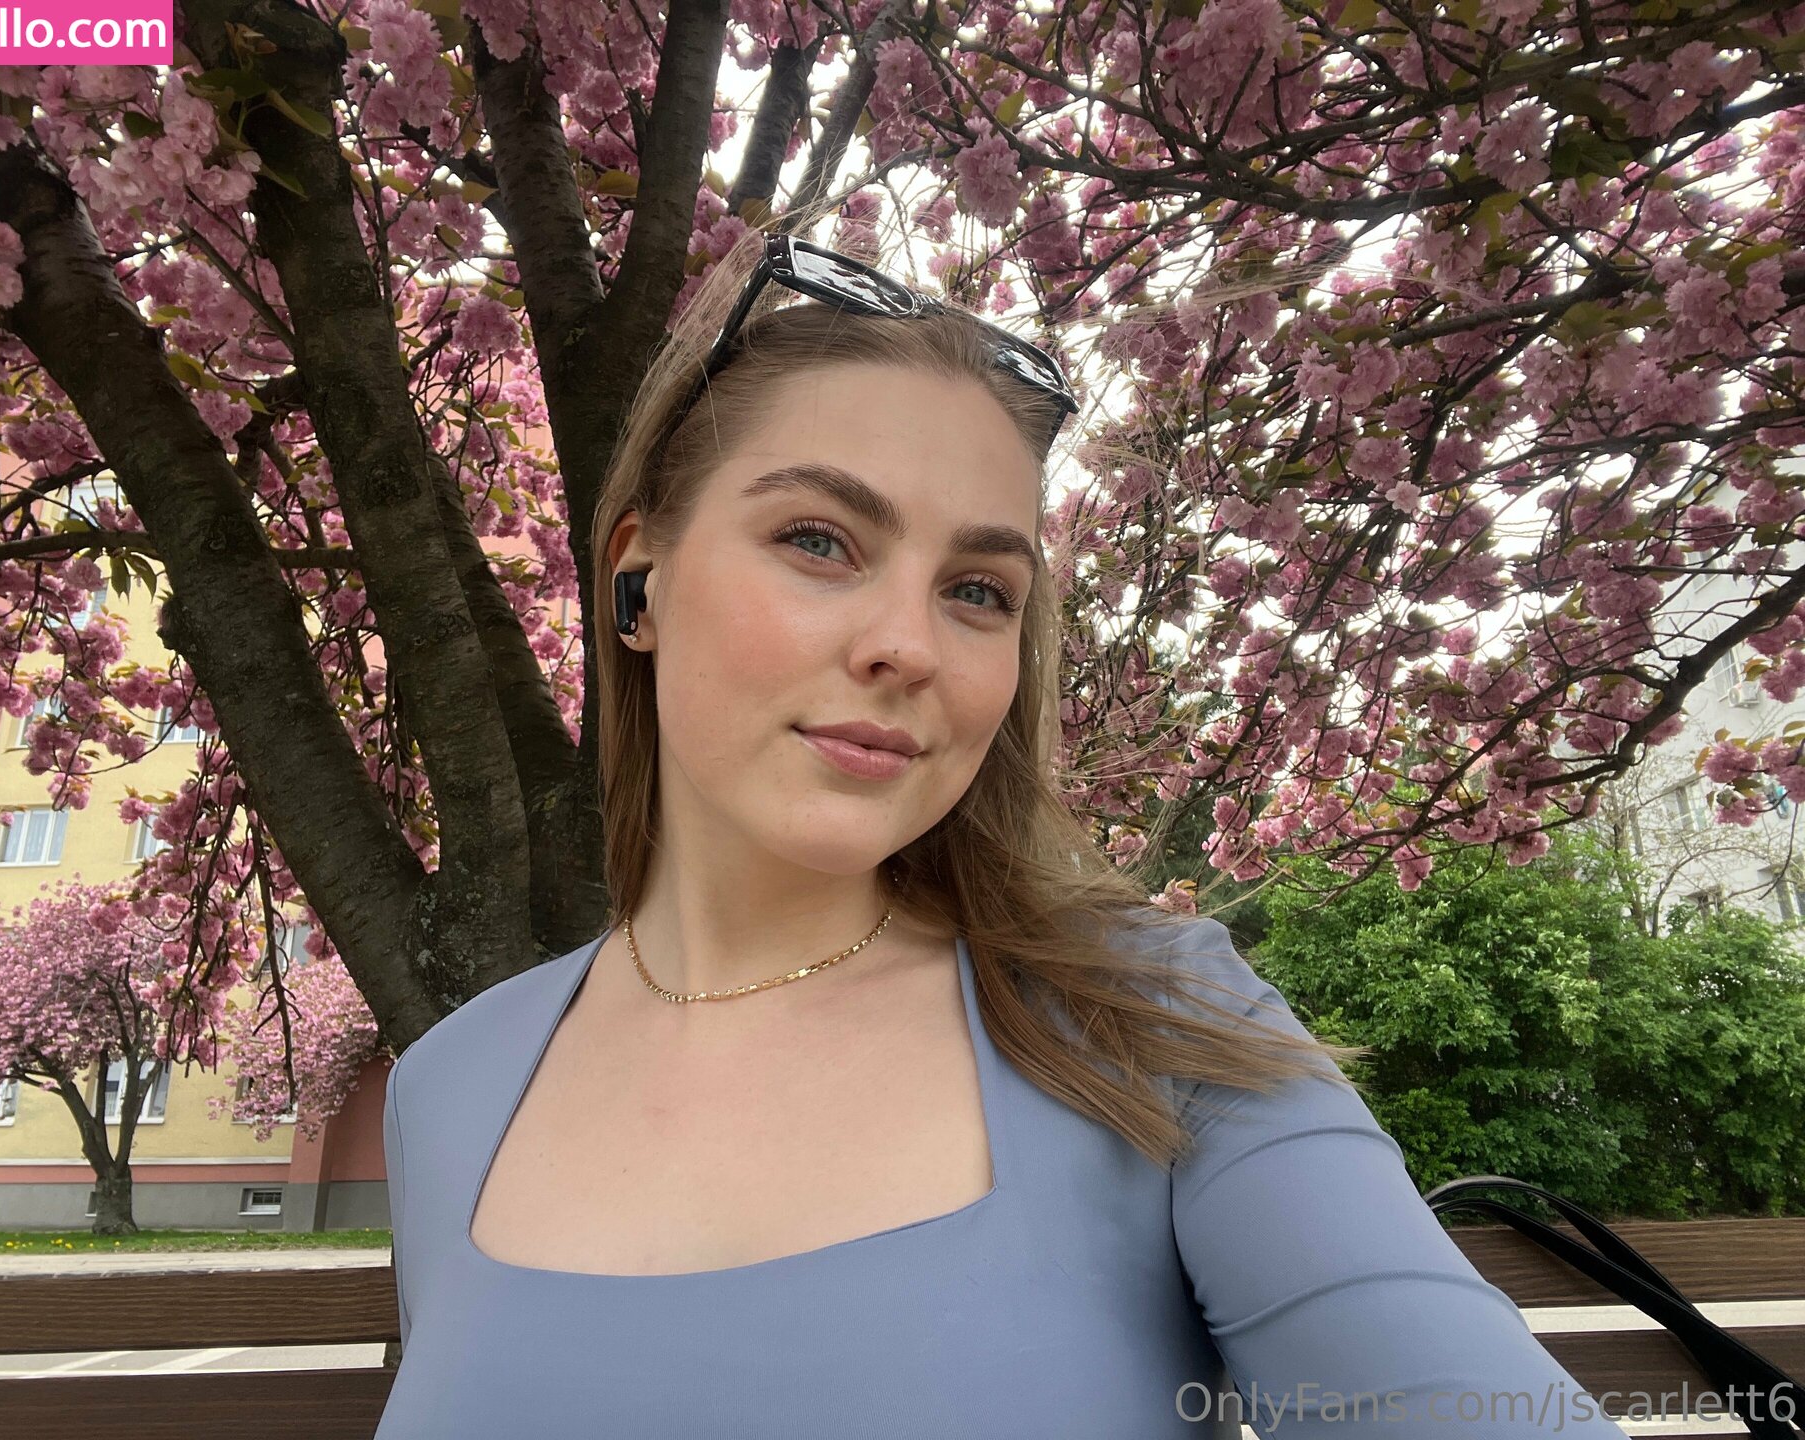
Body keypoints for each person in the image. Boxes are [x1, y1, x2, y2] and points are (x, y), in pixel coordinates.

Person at [372, 228, 1628, 1438]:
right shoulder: (450, 1089)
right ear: (639, 578)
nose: (907, 646)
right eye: (818, 541)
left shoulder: (1154, 1027)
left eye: (978, 591)